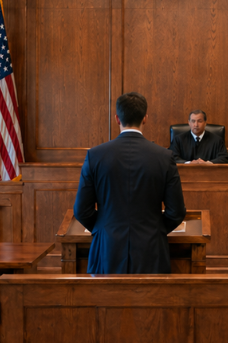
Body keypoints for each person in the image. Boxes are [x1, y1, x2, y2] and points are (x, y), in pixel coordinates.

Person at [75, 92, 187, 274]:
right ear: (145, 119)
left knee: (105, 301)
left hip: (107, 248)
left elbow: (81, 210)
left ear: (117, 119)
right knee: (150, 301)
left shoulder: (95, 155)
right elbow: (177, 211)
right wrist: (154, 228)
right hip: (151, 248)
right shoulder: (164, 157)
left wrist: (105, 226)